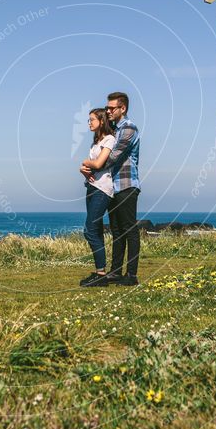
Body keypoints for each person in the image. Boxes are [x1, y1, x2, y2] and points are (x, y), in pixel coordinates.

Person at [81, 92, 140, 286]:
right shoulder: (113, 130)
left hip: (126, 184)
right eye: (107, 108)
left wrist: (91, 164)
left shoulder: (129, 128)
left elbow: (113, 157)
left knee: (129, 229)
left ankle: (131, 275)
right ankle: (115, 271)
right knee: (116, 230)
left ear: (122, 109)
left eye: (111, 108)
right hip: (112, 186)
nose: (108, 111)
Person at [78, 108, 116, 287]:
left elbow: (99, 163)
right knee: (96, 230)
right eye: (88, 120)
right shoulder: (96, 142)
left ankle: (101, 273)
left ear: (101, 121)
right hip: (92, 187)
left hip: (102, 189)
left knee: (89, 230)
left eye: (92, 120)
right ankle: (100, 272)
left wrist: (85, 163)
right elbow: (92, 167)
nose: (89, 123)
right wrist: (84, 171)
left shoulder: (109, 139)